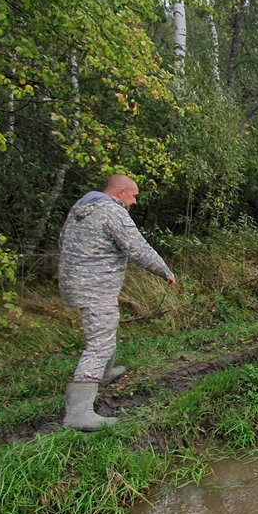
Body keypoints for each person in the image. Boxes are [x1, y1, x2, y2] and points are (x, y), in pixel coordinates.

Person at [58, 174, 176, 431]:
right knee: (99, 342)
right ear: (121, 192)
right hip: (95, 286)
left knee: (106, 326)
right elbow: (138, 248)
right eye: (133, 196)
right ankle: (78, 413)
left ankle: (105, 373)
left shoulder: (82, 208)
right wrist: (165, 271)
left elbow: (62, 241)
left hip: (76, 281)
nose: (134, 202)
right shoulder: (112, 211)